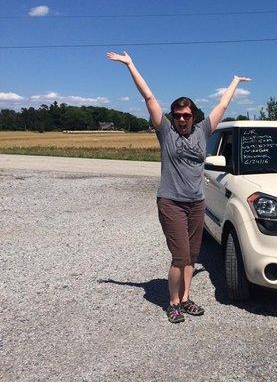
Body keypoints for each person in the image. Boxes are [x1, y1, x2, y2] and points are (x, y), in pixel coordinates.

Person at [106, 51, 251, 323]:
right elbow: (149, 97)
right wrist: (130, 64)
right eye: (177, 115)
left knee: (193, 256)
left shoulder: (203, 130)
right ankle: (172, 302)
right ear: (172, 117)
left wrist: (234, 82)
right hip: (171, 201)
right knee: (180, 256)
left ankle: (185, 298)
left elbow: (223, 105)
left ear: (193, 115)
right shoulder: (166, 132)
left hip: (197, 202)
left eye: (186, 115)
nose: (182, 120)